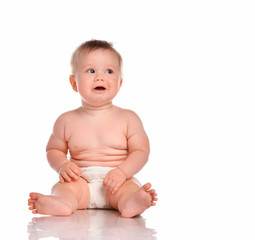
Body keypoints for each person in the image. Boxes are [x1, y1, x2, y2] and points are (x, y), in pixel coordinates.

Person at [28, 40, 158, 218]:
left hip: (117, 180)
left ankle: (130, 203)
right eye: (91, 71)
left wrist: (122, 172)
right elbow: (53, 150)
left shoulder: (129, 118)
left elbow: (141, 151)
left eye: (109, 71)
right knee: (66, 188)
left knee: (128, 189)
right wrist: (63, 165)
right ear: (74, 83)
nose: (100, 77)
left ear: (120, 83)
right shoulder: (66, 120)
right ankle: (63, 203)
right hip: (80, 179)